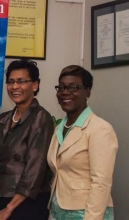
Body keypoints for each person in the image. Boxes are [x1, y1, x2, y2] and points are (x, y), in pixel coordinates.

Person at [0, 59, 54, 220]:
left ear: (35, 85)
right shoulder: (2, 119)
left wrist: (9, 208)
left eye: (21, 81)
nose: (15, 86)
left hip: (27, 204)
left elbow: (34, 171)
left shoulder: (41, 118)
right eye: (11, 82)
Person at [47, 65, 118, 220]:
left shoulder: (100, 129)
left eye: (73, 87)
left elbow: (101, 183)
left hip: (87, 213)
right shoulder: (59, 127)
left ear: (87, 91)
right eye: (61, 87)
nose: (65, 92)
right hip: (57, 210)